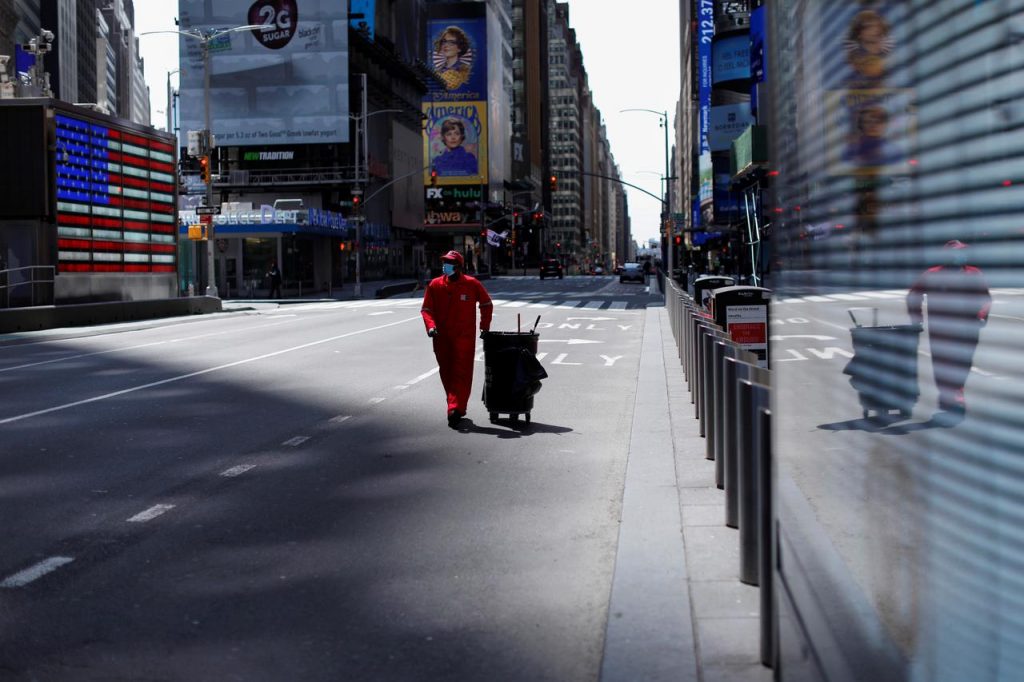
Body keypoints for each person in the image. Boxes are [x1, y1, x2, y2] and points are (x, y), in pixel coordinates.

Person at [906, 240, 991, 415]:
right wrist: (917, 319)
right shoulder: (932, 274)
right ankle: (951, 394)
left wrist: (981, 315)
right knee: (942, 363)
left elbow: (986, 299)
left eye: (963, 252)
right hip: (941, 329)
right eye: (956, 253)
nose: (961, 255)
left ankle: (953, 392)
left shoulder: (974, 273)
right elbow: (913, 295)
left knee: (964, 361)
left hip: (969, 327)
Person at [421, 250, 493, 428]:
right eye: (444, 262)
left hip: (464, 338)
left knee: (461, 373)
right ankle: (455, 405)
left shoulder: (472, 284)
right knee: (446, 372)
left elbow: (486, 304)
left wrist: (484, 327)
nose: (445, 265)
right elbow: (426, 310)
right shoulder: (435, 285)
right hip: (440, 337)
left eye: (449, 262)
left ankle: (455, 407)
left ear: (459, 266)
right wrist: (430, 327)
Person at [433, 26, 472, 91]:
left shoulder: (464, 70)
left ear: (459, 48)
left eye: (451, 42)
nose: (446, 45)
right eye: (444, 41)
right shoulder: (439, 71)